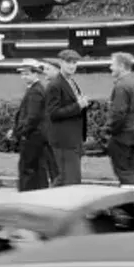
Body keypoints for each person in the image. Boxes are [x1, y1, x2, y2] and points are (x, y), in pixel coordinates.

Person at [46, 50, 89, 185]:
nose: (72, 66)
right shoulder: (55, 85)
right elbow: (53, 113)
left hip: (73, 140)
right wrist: (78, 106)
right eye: (68, 62)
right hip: (63, 142)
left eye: (74, 63)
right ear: (60, 63)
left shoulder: (71, 82)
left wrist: (82, 104)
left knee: (70, 180)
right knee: (68, 181)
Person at [8, 60, 51, 192]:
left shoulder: (35, 91)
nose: (24, 77)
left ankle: (26, 196)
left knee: (28, 169)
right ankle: (41, 194)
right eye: (22, 74)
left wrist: (19, 132)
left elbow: (32, 117)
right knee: (38, 169)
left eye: (27, 74)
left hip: (32, 137)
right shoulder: (36, 89)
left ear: (35, 73)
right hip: (37, 136)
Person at [106, 52, 134, 185]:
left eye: (113, 64)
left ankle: (133, 195)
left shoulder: (121, 86)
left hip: (123, 135)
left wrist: (110, 129)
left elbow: (118, 113)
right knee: (131, 169)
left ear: (121, 66)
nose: (110, 67)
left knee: (123, 172)